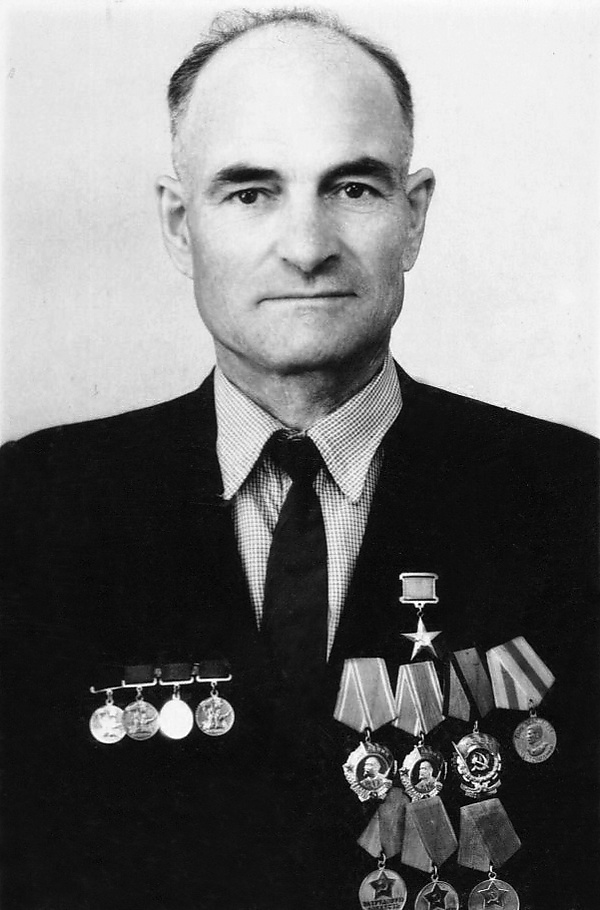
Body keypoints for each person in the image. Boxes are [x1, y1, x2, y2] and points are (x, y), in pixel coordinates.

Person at [0, 8, 597, 910]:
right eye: (250, 193)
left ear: (414, 216)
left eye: (353, 188)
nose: (309, 247)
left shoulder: (575, 500)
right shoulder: (31, 510)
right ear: (178, 224)